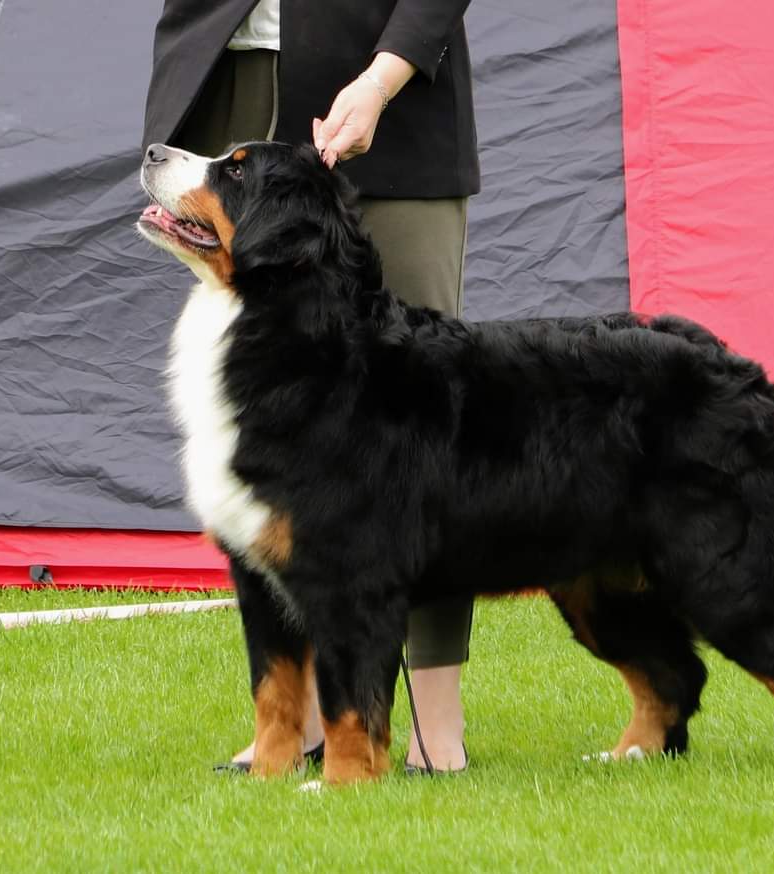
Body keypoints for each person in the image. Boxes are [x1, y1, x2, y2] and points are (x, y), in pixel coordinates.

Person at [142, 0, 479, 772]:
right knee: (270, 447)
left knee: (419, 427)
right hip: (229, 72)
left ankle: (435, 720)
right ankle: (297, 723)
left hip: (389, 80)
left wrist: (383, 79)